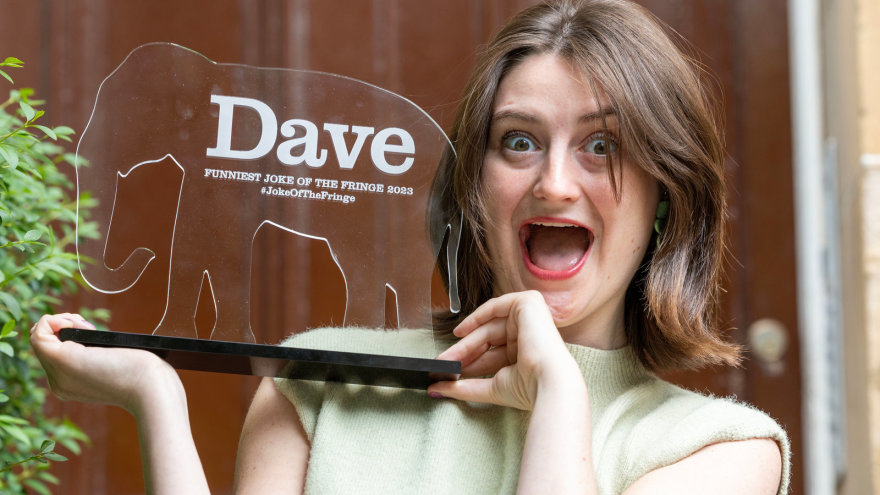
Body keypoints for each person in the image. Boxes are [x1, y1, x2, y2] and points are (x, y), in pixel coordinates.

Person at [30, 0, 789, 493]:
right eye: (517, 141)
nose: (555, 183)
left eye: (602, 145)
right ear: (471, 184)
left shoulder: (721, 452)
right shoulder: (318, 387)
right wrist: (154, 395)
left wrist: (559, 396)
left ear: (665, 198)